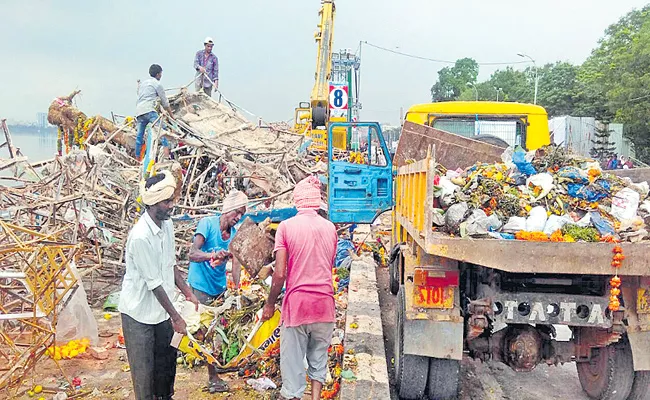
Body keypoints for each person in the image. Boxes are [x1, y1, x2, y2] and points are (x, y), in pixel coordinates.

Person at [118, 171, 198, 400]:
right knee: (145, 380)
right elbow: (154, 284)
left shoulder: (167, 225)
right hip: (138, 316)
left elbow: (170, 265)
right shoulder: (141, 236)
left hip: (162, 313)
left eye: (172, 200)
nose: (171, 205)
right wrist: (177, 317)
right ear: (152, 204)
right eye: (167, 202)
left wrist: (188, 292)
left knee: (165, 372)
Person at [262, 176, 337, 400]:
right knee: (318, 360)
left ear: (297, 202)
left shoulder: (286, 227)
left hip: (298, 306)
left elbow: (280, 274)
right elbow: (327, 264)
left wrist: (269, 303)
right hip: (325, 305)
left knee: (293, 367)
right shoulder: (330, 228)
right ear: (317, 202)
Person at [187, 189, 248, 393]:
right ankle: (212, 378)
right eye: (237, 212)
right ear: (227, 208)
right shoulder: (208, 224)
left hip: (219, 286)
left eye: (242, 214)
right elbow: (193, 253)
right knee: (205, 331)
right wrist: (213, 255)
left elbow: (237, 262)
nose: (238, 217)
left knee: (219, 330)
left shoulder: (235, 232)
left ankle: (217, 368)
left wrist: (237, 289)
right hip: (201, 285)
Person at [135, 64, 173, 161]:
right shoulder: (157, 84)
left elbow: (139, 94)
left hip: (139, 111)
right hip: (149, 110)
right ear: (157, 74)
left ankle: (137, 158)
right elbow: (165, 102)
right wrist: (171, 115)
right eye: (161, 73)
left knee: (139, 136)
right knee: (162, 129)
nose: (161, 75)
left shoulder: (143, 83)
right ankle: (166, 154)